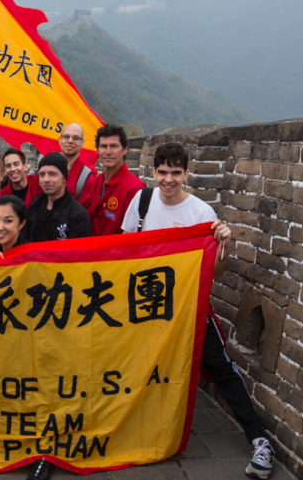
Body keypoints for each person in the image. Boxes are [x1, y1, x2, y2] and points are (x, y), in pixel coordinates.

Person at [121, 142, 273, 480]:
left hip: (190, 307)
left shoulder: (201, 212)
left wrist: (224, 245)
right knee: (137, 368)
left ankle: (259, 440)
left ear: (187, 173)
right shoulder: (142, 202)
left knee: (219, 366)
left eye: (176, 172)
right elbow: (122, 252)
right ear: (154, 172)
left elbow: (216, 272)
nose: (169, 179)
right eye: (163, 172)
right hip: (147, 306)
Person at [79, 124, 145, 236]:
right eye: (103, 146)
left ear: (125, 149)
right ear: (98, 150)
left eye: (114, 146)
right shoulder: (95, 183)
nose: (108, 152)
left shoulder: (135, 189)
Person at [24, 152, 91, 243]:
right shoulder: (34, 207)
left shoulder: (78, 216)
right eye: (42, 174)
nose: (46, 180)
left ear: (64, 178)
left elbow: (77, 254)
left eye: (52, 174)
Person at [57, 122, 96, 199]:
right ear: (60, 140)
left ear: (82, 143)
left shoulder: (87, 179)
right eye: (66, 136)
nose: (70, 141)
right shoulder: (45, 170)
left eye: (76, 138)